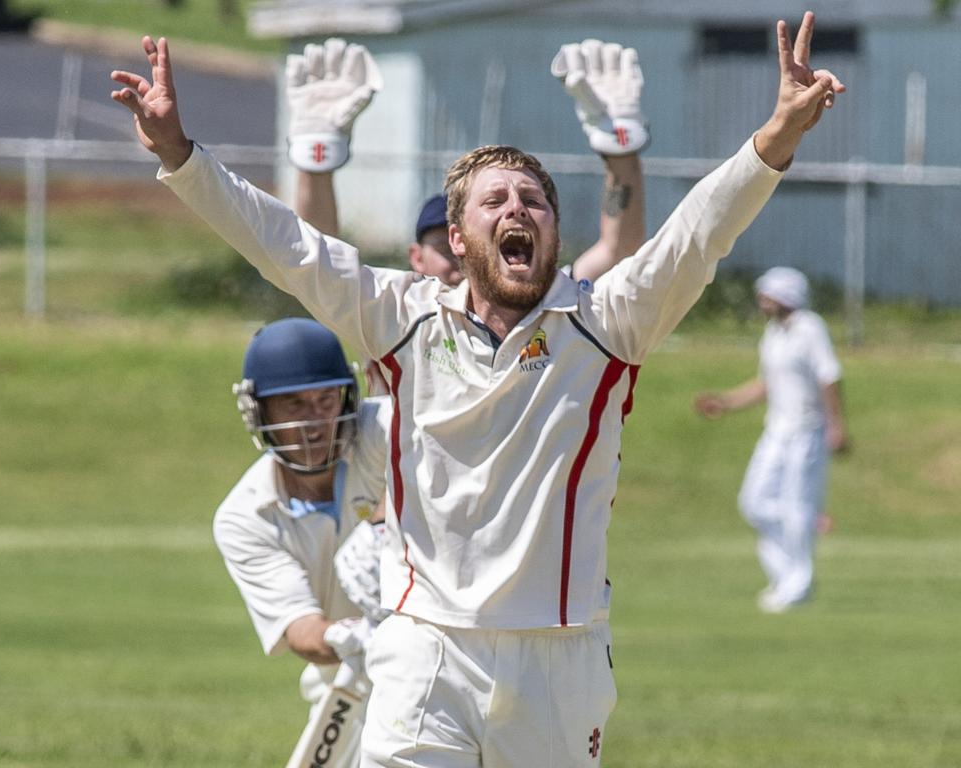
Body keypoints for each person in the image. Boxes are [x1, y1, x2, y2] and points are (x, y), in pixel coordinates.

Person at [111, 11, 844, 764]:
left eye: (534, 201)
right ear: (457, 240)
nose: (517, 209)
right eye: (494, 201)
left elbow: (700, 233)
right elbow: (287, 248)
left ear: (554, 235)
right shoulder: (401, 317)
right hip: (424, 647)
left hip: (560, 656)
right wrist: (180, 154)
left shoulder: (608, 323)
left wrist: (778, 134)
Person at [289, 37, 648, 396]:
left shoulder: (554, 301)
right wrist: (316, 161)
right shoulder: (395, 312)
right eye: (446, 248)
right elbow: (322, 263)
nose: (464, 258)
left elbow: (619, 247)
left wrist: (620, 148)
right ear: (419, 256)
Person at [213, 317, 390, 767]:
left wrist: (384, 523)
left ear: (347, 398)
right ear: (259, 411)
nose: (313, 422)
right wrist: (355, 636)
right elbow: (302, 633)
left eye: (325, 400)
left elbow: (443, 453)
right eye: (293, 404)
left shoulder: (381, 433)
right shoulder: (245, 517)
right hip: (349, 688)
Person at [694, 266, 848, 614]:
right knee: (754, 501)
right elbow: (766, 384)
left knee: (796, 509)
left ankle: (798, 585)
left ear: (786, 296)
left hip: (808, 430)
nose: (762, 301)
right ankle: (787, 572)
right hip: (776, 431)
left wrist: (837, 426)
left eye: (768, 295)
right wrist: (726, 402)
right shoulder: (772, 334)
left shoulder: (810, 328)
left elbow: (829, 377)